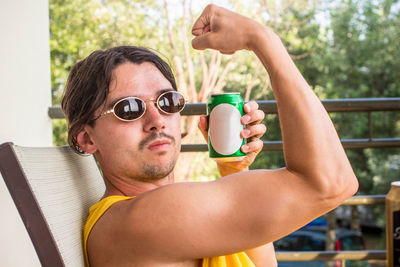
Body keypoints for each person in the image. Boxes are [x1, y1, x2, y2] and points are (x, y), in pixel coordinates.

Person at [61, 4, 358, 267]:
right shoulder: (138, 219)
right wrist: (263, 40)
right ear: (87, 138)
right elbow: (331, 183)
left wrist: (234, 168)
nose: (156, 121)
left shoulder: (172, 217)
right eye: (129, 108)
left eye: (167, 101)